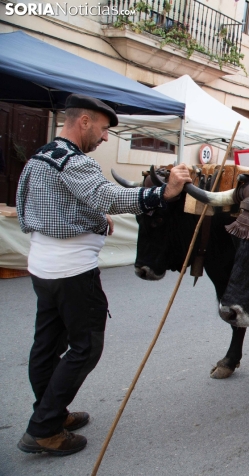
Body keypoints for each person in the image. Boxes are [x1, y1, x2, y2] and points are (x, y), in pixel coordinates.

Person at [15, 94, 192, 456]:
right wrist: (164, 192)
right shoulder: (74, 162)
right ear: (84, 122)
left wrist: (95, 220)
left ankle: (51, 413)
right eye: (103, 128)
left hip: (42, 267)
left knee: (47, 345)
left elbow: (32, 204)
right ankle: (44, 429)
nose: (105, 137)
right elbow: (107, 196)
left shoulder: (41, 156)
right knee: (86, 347)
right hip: (72, 271)